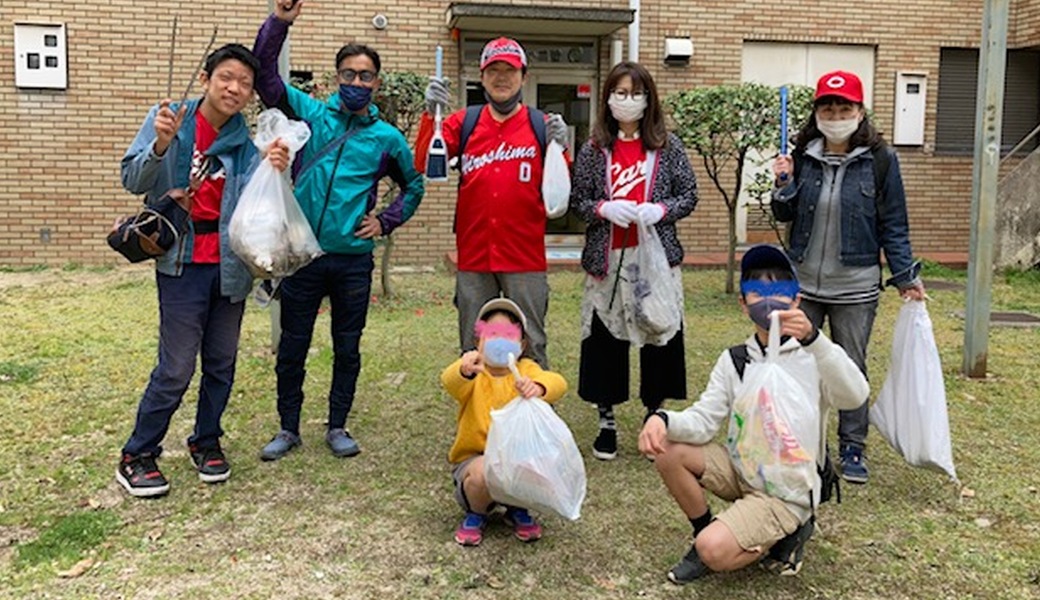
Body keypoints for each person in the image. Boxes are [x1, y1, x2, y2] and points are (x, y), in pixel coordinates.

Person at [116, 44, 291, 497]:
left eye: (245, 84)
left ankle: (207, 440)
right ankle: (137, 453)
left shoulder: (246, 142)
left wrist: (275, 170)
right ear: (207, 79)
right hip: (181, 261)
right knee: (175, 367)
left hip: (230, 266)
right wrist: (159, 144)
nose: (235, 88)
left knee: (221, 362)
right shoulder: (171, 119)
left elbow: (259, 205)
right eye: (226, 78)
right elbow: (133, 180)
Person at [253, 0, 425, 461]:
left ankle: (338, 425)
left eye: (365, 75)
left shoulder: (386, 138)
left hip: (352, 260)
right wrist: (279, 23)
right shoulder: (310, 114)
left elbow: (414, 185)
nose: (356, 82)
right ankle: (288, 428)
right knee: (292, 346)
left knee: (347, 347)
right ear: (337, 78)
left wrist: (385, 221)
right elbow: (265, 74)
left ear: (376, 82)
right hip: (304, 256)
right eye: (348, 74)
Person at [638, 244, 869, 583]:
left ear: (796, 299)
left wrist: (815, 340)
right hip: (742, 468)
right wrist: (662, 419)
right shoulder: (735, 360)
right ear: (743, 304)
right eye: (757, 291)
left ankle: (787, 533)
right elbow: (704, 421)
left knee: (714, 549)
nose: (768, 299)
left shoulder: (815, 356)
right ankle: (705, 531)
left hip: (787, 488)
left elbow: (855, 395)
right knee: (669, 452)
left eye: (779, 289)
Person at [771, 70, 925, 484]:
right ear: (817, 112)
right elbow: (784, 214)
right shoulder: (803, 155)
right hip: (803, 282)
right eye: (828, 107)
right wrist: (782, 183)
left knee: (849, 366)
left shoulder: (880, 159)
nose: (835, 114)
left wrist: (905, 274)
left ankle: (853, 445)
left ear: (860, 111)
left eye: (844, 107)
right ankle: (797, 440)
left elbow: (893, 222)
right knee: (794, 361)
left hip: (855, 286)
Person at [414, 37, 570, 369]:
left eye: (510, 70)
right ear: (482, 77)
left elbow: (562, 188)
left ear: (523, 77)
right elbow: (425, 163)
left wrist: (561, 149)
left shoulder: (541, 126)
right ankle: (477, 414)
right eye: (493, 70)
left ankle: (533, 413)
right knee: (473, 343)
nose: (502, 77)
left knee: (531, 340)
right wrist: (431, 117)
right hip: (475, 253)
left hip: (524, 254)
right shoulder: (463, 122)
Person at [570, 61, 698, 461]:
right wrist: (605, 209)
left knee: (659, 330)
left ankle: (654, 416)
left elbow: (689, 194)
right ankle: (606, 421)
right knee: (604, 337)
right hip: (607, 258)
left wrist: (660, 210)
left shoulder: (667, 145)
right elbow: (579, 202)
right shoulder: (594, 149)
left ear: (649, 99)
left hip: (655, 259)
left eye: (635, 93)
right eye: (620, 92)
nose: (628, 100)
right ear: (608, 98)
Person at [441, 297, 568, 546]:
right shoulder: (474, 373)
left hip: (517, 456)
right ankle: (477, 512)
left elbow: (558, 383)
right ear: (479, 341)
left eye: (509, 334)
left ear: (521, 344)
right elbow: (449, 381)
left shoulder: (526, 369)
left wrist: (539, 387)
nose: (501, 339)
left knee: (533, 468)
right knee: (481, 475)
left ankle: (517, 509)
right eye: (492, 333)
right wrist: (463, 369)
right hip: (475, 460)